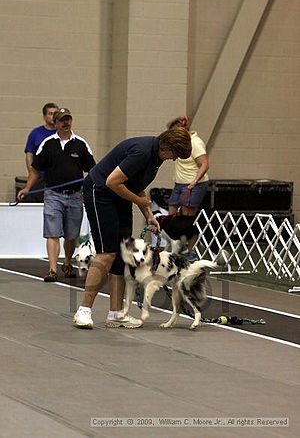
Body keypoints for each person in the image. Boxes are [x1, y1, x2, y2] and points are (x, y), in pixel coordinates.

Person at [73, 127, 192, 329]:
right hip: (100, 192)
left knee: (121, 254)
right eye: (176, 154)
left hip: (118, 195)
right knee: (107, 253)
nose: (174, 159)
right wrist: (141, 202)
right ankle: (83, 310)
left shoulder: (156, 158)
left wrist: (148, 215)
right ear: (168, 147)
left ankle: (116, 313)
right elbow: (112, 181)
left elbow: (136, 185)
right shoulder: (143, 152)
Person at [18, 108, 96, 282]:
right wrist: (27, 188)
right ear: (56, 123)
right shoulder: (48, 144)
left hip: (76, 195)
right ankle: (52, 269)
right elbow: (36, 169)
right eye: (62, 120)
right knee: (52, 233)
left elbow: (92, 170)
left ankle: (67, 263)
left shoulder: (81, 144)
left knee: (71, 235)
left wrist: (93, 189)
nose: (66, 123)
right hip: (53, 194)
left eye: (68, 119)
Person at [167, 115, 209, 259]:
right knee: (172, 214)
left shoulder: (195, 143)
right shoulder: (181, 144)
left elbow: (204, 164)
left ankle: (189, 251)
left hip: (193, 185)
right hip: (179, 184)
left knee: (186, 220)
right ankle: (178, 248)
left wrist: (194, 181)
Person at [23, 103, 59, 202]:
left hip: (56, 178)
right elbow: (29, 154)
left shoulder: (62, 133)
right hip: (39, 177)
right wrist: (31, 172)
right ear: (44, 116)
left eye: (55, 113)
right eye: (50, 113)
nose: (53, 116)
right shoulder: (35, 133)